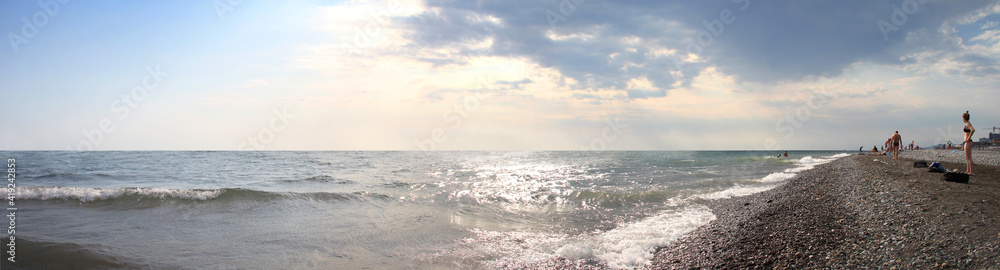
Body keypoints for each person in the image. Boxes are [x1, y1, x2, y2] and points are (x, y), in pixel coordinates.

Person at [963, 111, 975, 175]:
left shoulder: (968, 124)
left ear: (964, 118)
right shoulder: (966, 124)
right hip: (966, 142)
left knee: (969, 157)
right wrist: (966, 113)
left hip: (969, 142)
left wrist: (968, 138)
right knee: (967, 157)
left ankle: (971, 171)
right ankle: (968, 170)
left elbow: (973, 130)